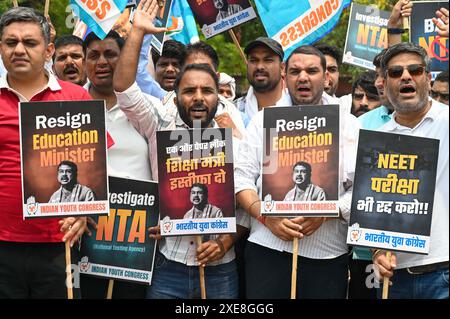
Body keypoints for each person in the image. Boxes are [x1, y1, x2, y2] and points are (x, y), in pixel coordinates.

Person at [113, 0, 241, 299]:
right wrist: (137, 33)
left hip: (221, 268)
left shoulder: (234, 133)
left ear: (217, 97)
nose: (198, 98)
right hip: (168, 265)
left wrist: (225, 241)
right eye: (189, 91)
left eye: (207, 91)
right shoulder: (159, 123)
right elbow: (123, 89)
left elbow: (246, 196)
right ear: (175, 94)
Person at [235, 45, 359, 299]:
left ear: (326, 77)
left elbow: (361, 189)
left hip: (326, 255)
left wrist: (328, 213)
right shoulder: (263, 120)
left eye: (312, 71)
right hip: (267, 250)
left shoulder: (348, 124)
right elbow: (240, 177)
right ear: (285, 75)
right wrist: (265, 217)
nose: (303, 77)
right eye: (295, 71)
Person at [0, 7, 90, 298]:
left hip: (60, 245)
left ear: (49, 49)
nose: (19, 50)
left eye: (30, 42)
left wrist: (86, 212)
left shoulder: (77, 97)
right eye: (10, 42)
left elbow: (94, 166)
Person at [373, 42, 448, 299]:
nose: (406, 76)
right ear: (383, 83)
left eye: (415, 70)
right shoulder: (375, 141)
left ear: (428, 78)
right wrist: (377, 254)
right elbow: (372, 206)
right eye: (395, 72)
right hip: (395, 280)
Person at [235, 37, 287, 120]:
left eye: (268, 60)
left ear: (282, 68)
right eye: (254, 60)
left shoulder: (300, 110)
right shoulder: (232, 112)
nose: (260, 67)